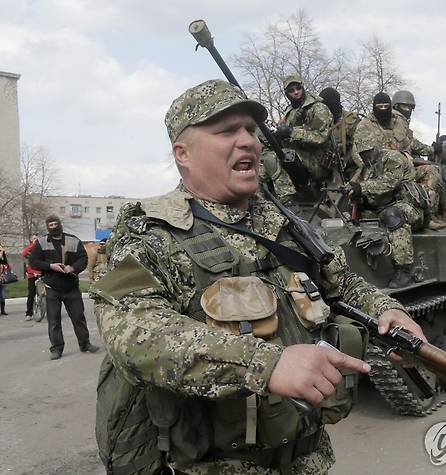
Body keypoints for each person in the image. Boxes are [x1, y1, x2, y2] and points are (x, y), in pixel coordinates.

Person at [92, 79, 425, 475]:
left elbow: (342, 281)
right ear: (183, 153)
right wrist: (266, 364)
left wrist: (387, 309)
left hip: (305, 461)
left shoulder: (283, 222)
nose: (248, 141)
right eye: (226, 131)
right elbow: (133, 332)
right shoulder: (151, 232)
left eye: (251, 129)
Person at [347, 147, 428, 288]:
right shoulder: (369, 167)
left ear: (373, 148)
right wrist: (360, 197)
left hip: (409, 207)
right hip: (385, 207)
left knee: (393, 215)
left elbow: (389, 183)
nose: (364, 157)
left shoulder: (392, 158)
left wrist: (361, 188)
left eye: (366, 153)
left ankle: (404, 270)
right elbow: (374, 195)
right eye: (362, 154)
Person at [28, 215, 99, 360]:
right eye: (50, 225)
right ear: (48, 227)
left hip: (71, 287)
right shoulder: (41, 243)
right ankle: (56, 349)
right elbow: (33, 261)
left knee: (78, 317)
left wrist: (73, 268)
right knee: (54, 321)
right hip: (52, 288)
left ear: (60, 224)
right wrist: (50, 266)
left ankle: (85, 344)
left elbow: (83, 259)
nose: (53, 227)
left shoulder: (73, 240)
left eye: (55, 224)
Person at [274, 74, 334, 185]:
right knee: (265, 160)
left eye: (298, 88)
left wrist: (292, 132)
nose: (296, 92)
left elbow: (321, 137)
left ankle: (286, 199)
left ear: (303, 88)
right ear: (287, 93)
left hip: (317, 162)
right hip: (296, 156)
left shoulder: (318, 108)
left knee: (278, 158)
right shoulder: (290, 111)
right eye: (291, 90)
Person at [318, 87, 361, 179]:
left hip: (350, 166)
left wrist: (346, 160)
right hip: (324, 166)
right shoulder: (319, 121)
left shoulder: (351, 120)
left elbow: (361, 145)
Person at [391, 90, 433, 157]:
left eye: (409, 107)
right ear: (396, 106)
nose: (407, 110)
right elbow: (410, 143)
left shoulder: (401, 121)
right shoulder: (395, 120)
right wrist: (432, 149)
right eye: (404, 106)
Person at [21, 235, 42, 320]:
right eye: (34, 239)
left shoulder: (41, 249)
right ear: (31, 241)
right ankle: (29, 313)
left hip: (41, 273)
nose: (36, 240)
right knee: (31, 294)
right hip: (32, 274)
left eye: (37, 239)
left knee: (46, 293)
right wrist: (33, 244)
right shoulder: (30, 249)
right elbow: (24, 253)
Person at [0, 240, 9, 316]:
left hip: (2, 276)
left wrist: (2, 253)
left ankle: (3, 310)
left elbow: (5, 262)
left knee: (3, 295)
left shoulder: (2, 252)